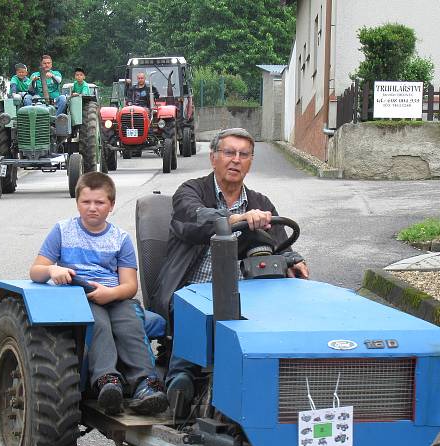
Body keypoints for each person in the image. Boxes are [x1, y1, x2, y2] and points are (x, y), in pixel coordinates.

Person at [149, 127, 309, 404]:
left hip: (248, 292)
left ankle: (280, 387)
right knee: (199, 311)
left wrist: (294, 260)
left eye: (243, 154)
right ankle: (180, 379)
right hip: (192, 288)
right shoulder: (191, 191)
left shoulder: (261, 203)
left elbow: (280, 245)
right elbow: (193, 222)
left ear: (250, 162)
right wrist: (238, 219)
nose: (236, 159)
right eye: (229, 152)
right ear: (213, 157)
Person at [30, 172, 168, 416]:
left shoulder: (120, 239)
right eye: (86, 202)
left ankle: (146, 384)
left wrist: (110, 293)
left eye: (100, 202)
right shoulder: (62, 231)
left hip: (113, 295)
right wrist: (53, 269)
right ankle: (107, 381)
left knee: (130, 325)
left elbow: (129, 286)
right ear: (77, 203)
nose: (92, 208)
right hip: (78, 295)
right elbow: (35, 271)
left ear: (111, 205)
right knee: (99, 324)